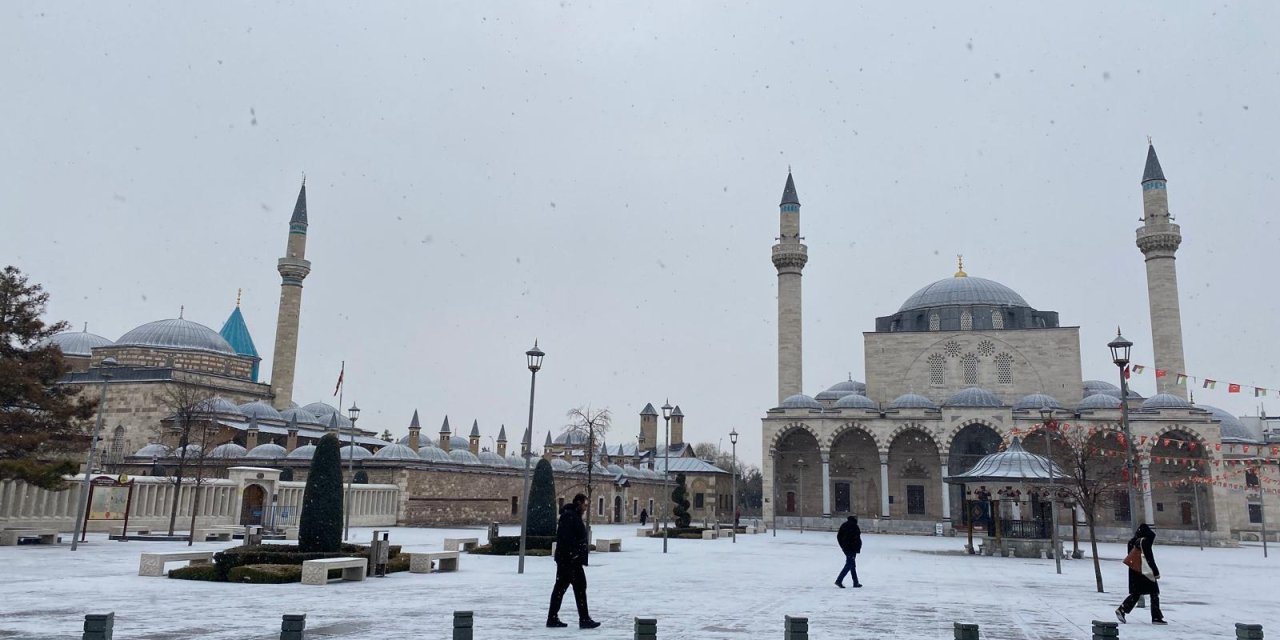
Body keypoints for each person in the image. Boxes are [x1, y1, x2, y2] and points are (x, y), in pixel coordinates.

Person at [548, 494, 601, 629]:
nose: (585, 508)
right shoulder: (569, 516)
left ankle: (553, 618)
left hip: (568, 560)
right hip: (570, 560)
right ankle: (583, 619)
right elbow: (566, 539)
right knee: (579, 588)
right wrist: (574, 554)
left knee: (561, 588)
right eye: (585, 505)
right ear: (578, 503)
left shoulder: (573, 516)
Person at [1116, 523, 1166, 625]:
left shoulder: (1132, 542)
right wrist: (1155, 572)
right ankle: (1156, 617)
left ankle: (1123, 609)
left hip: (1135, 571)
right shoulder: (1145, 542)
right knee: (1154, 592)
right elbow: (1149, 558)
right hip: (1145, 571)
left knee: (1136, 593)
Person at [834, 515, 863, 588]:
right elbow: (857, 538)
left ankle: (855, 582)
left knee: (852, 565)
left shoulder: (844, 525)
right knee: (849, 564)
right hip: (852, 548)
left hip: (846, 548)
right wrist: (855, 546)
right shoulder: (854, 526)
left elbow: (839, 536)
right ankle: (839, 580)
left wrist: (843, 545)